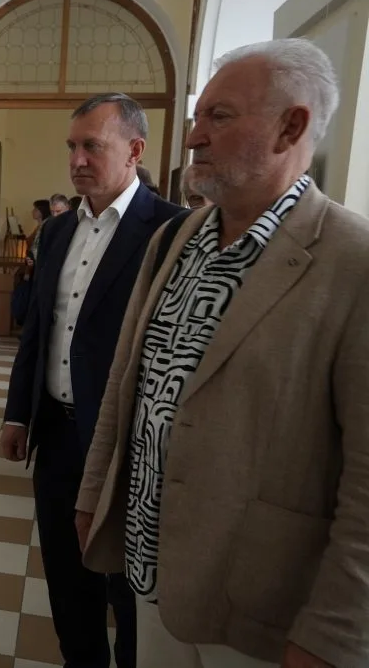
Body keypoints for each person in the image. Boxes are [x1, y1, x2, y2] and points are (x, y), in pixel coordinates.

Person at [75, 38, 368, 668]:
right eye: (197, 116)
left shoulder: (354, 263)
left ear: (291, 127)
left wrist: (334, 631)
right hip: (151, 571)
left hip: (262, 606)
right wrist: (93, 493)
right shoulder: (175, 240)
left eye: (220, 116)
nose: (194, 137)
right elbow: (128, 383)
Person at [0, 92, 184, 668]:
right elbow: (38, 330)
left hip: (126, 446)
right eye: (72, 147)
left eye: (92, 147)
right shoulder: (57, 232)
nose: (77, 160)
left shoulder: (173, 231)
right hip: (56, 435)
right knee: (66, 579)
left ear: (135, 150)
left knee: (125, 588)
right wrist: (17, 414)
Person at [12, 200, 52, 326]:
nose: (32, 212)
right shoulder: (39, 226)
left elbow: (35, 250)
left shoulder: (45, 226)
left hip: (35, 267)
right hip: (32, 265)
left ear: (42, 211)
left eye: (35, 209)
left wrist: (28, 269)